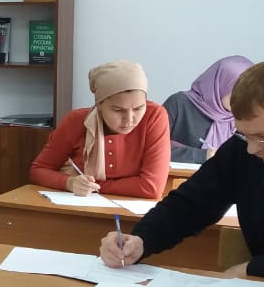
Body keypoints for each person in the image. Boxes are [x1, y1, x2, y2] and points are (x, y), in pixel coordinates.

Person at [100, 61, 264, 287]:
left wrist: (257, 269)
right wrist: (141, 241)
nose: (252, 149)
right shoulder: (241, 150)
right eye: (245, 135)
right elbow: (190, 205)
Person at [30, 59, 171, 199]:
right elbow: (38, 170)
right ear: (99, 105)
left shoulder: (154, 116)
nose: (129, 119)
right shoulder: (76, 121)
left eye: (139, 108)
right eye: (118, 110)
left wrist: (94, 186)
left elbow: (151, 187)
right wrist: (69, 183)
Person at [162, 55, 254, 163]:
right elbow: (152, 148)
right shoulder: (179, 104)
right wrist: (203, 156)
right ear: (221, 84)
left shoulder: (243, 119)